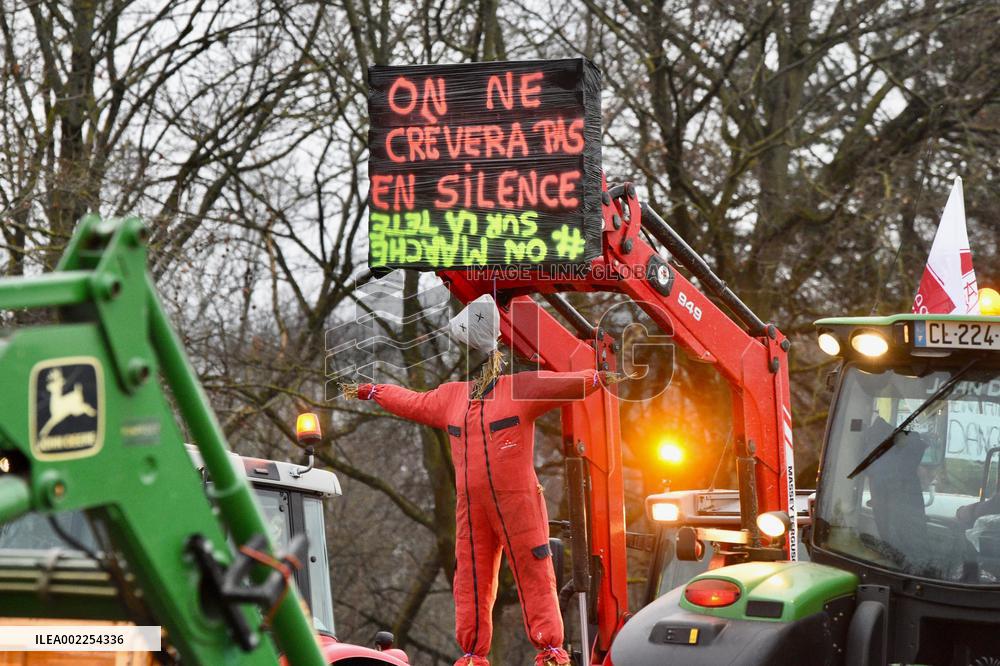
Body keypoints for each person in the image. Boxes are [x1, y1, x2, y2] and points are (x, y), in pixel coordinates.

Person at [344, 295, 624, 666]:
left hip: (518, 502)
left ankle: (550, 650)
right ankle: (473, 654)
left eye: (473, 353)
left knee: (534, 568)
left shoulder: (517, 389)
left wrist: (597, 376)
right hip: (471, 510)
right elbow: (412, 401)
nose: (472, 363)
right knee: (470, 578)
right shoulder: (451, 398)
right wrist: (375, 391)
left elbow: (562, 385)